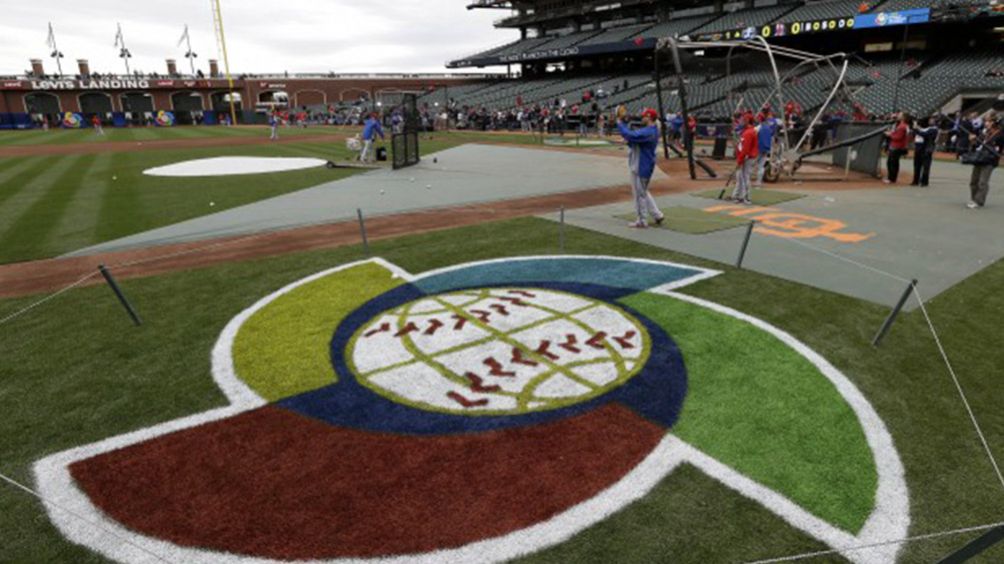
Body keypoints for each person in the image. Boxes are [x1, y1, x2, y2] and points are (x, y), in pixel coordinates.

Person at [617, 108, 665, 228]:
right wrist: (628, 141)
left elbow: (630, 135)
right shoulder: (649, 130)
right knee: (643, 192)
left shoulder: (649, 131)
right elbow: (635, 140)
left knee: (639, 194)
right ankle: (657, 214)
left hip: (642, 165)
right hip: (639, 164)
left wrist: (620, 124)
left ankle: (642, 220)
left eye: (644, 116)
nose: (642, 118)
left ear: (649, 117)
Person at [966, 115, 1003, 209]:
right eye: (986, 121)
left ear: (994, 123)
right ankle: (973, 198)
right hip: (979, 158)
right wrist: (973, 140)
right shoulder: (984, 132)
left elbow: (999, 147)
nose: (986, 123)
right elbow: (977, 144)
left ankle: (979, 201)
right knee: (973, 181)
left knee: (983, 182)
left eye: (989, 121)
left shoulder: (1000, 134)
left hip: (990, 160)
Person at [731, 115, 759, 204]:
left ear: (747, 121)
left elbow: (745, 149)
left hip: (747, 158)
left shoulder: (748, 133)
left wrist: (740, 160)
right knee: (740, 177)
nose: (741, 121)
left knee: (744, 177)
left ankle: (746, 197)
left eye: (743, 120)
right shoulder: (748, 131)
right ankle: (738, 196)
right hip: (747, 157)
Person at [911, 116, 938, 187]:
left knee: (926, 166)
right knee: (917, 165)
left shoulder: (934, 129)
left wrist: (916, 129)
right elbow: (916, 133)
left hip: (926, 149)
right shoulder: (923, 128)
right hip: (918, 148)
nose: (931, 121)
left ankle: (924, 181)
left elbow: (925, 135)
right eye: (930, 120)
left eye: (932, 120)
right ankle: (915, 180)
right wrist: (915, 128)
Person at [883, 113, 910, 184]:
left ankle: (891, 178)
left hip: (896, 146)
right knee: (894, 162)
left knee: (892, 163)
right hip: (897, 146)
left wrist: (889, 135)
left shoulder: (902, 126)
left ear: (903, 118)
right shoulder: (903, 126)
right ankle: (892, 178)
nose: (898, 116)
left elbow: (898, 137)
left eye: (900, 115)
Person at [754, 111, 778, 188]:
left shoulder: (758, 127)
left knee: (750, 165)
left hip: (758, 149)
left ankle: (746, 181)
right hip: (766, 149)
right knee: (761, 166)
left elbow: (753, 136)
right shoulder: (768, 128)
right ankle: (758, 182)